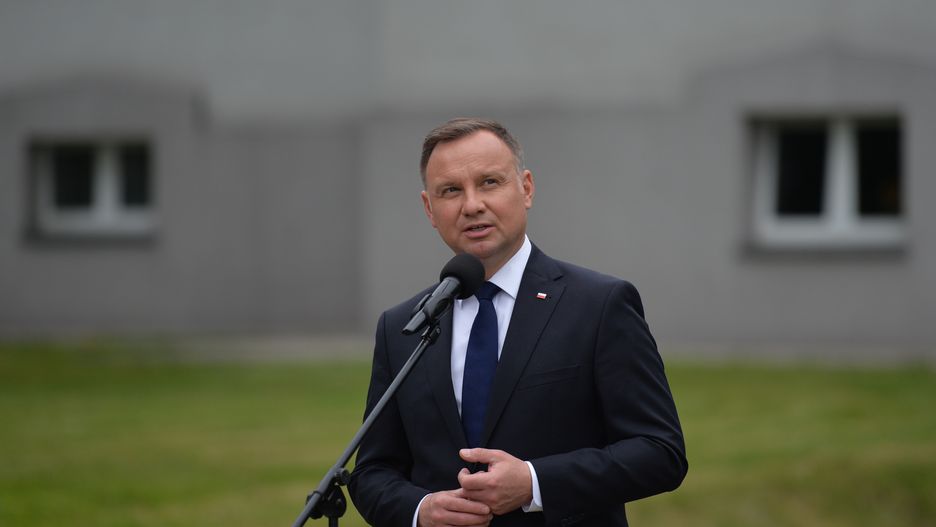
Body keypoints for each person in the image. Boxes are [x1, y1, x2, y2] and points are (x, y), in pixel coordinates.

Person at [348, 118, 687, 527]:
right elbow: (371, 472)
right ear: (429, 209)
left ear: (526, 188)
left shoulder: (598, 305)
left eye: (489, 182)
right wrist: (421, 511)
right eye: (451, 190)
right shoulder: (404, 326)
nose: (472, 205)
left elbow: (659, 451)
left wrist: (534, 482)